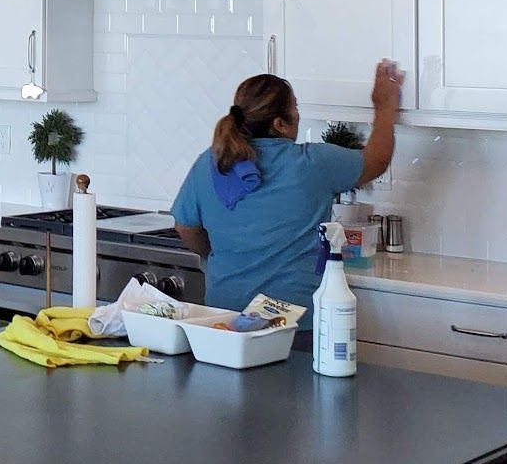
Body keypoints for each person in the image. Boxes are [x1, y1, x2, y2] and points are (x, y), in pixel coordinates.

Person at [171, 62, 404, 313]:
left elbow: (185, 227)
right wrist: (384, 107)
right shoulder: (312, 163)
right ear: (280, 124)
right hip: (293, 318)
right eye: (295, 107)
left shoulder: (210, 163)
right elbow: (377, 160)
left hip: (225, 316)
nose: (297, 114)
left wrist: (217, 254)